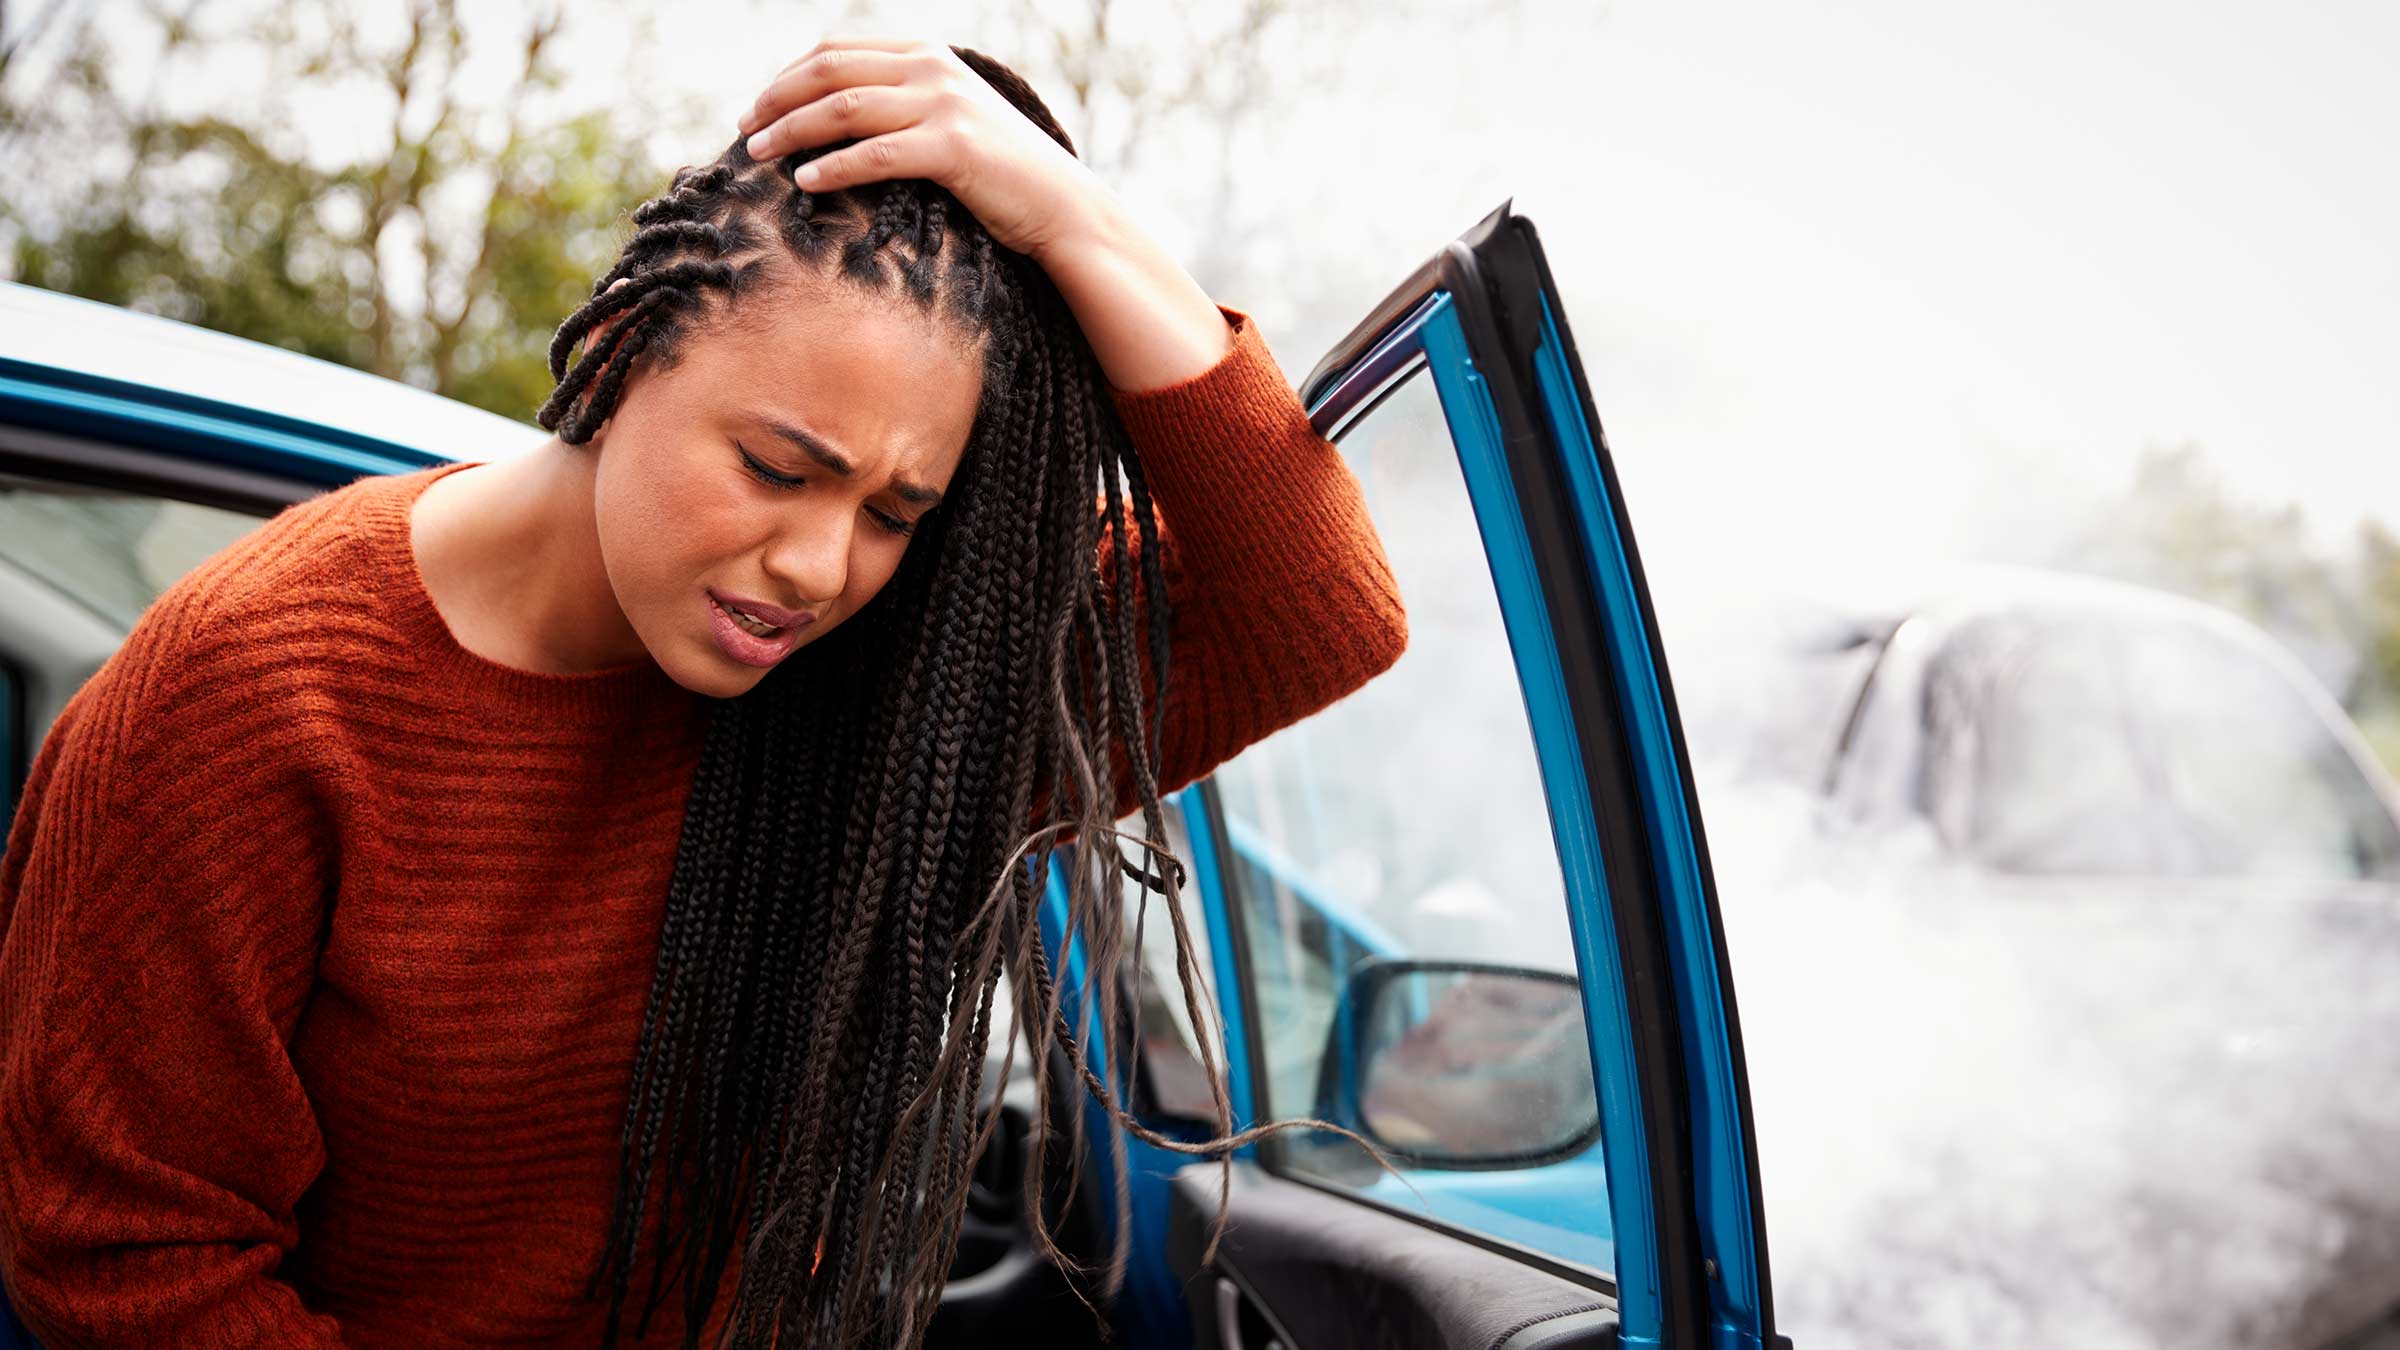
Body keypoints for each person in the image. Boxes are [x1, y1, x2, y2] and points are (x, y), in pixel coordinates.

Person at [0, 39, 1407, 1350]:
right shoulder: (242, 699)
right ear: (621, 354)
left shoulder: (881, 690)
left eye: (894, 511)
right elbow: (126, 1263)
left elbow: (1317, 612)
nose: (818, 565)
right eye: (777, 467)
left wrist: (1077, 223)